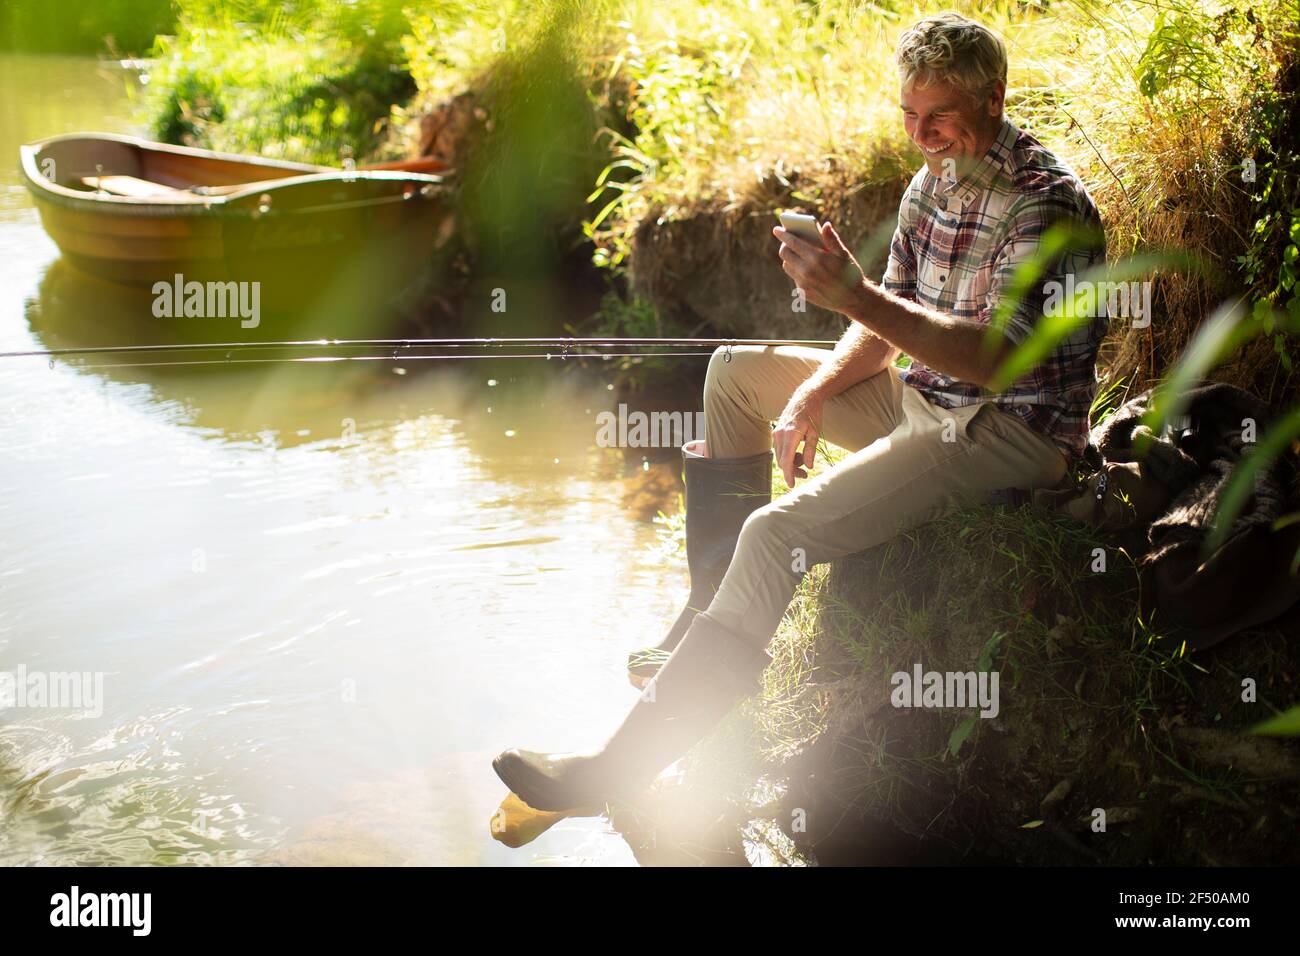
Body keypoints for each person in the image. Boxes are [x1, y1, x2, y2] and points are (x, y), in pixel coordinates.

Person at [494, 12, 1107, 812]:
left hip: (1007, 431)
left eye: (940, 117)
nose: (922, 135)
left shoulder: (1044, 204)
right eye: (909, 117)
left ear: (993, 99)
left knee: (772, 531)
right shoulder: (936, 180)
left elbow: (997, 360)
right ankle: (709, 621)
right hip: (928, 397)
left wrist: (857, 296)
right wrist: (815, 391)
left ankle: (612, 776)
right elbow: (890, 321)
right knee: (735, 375)